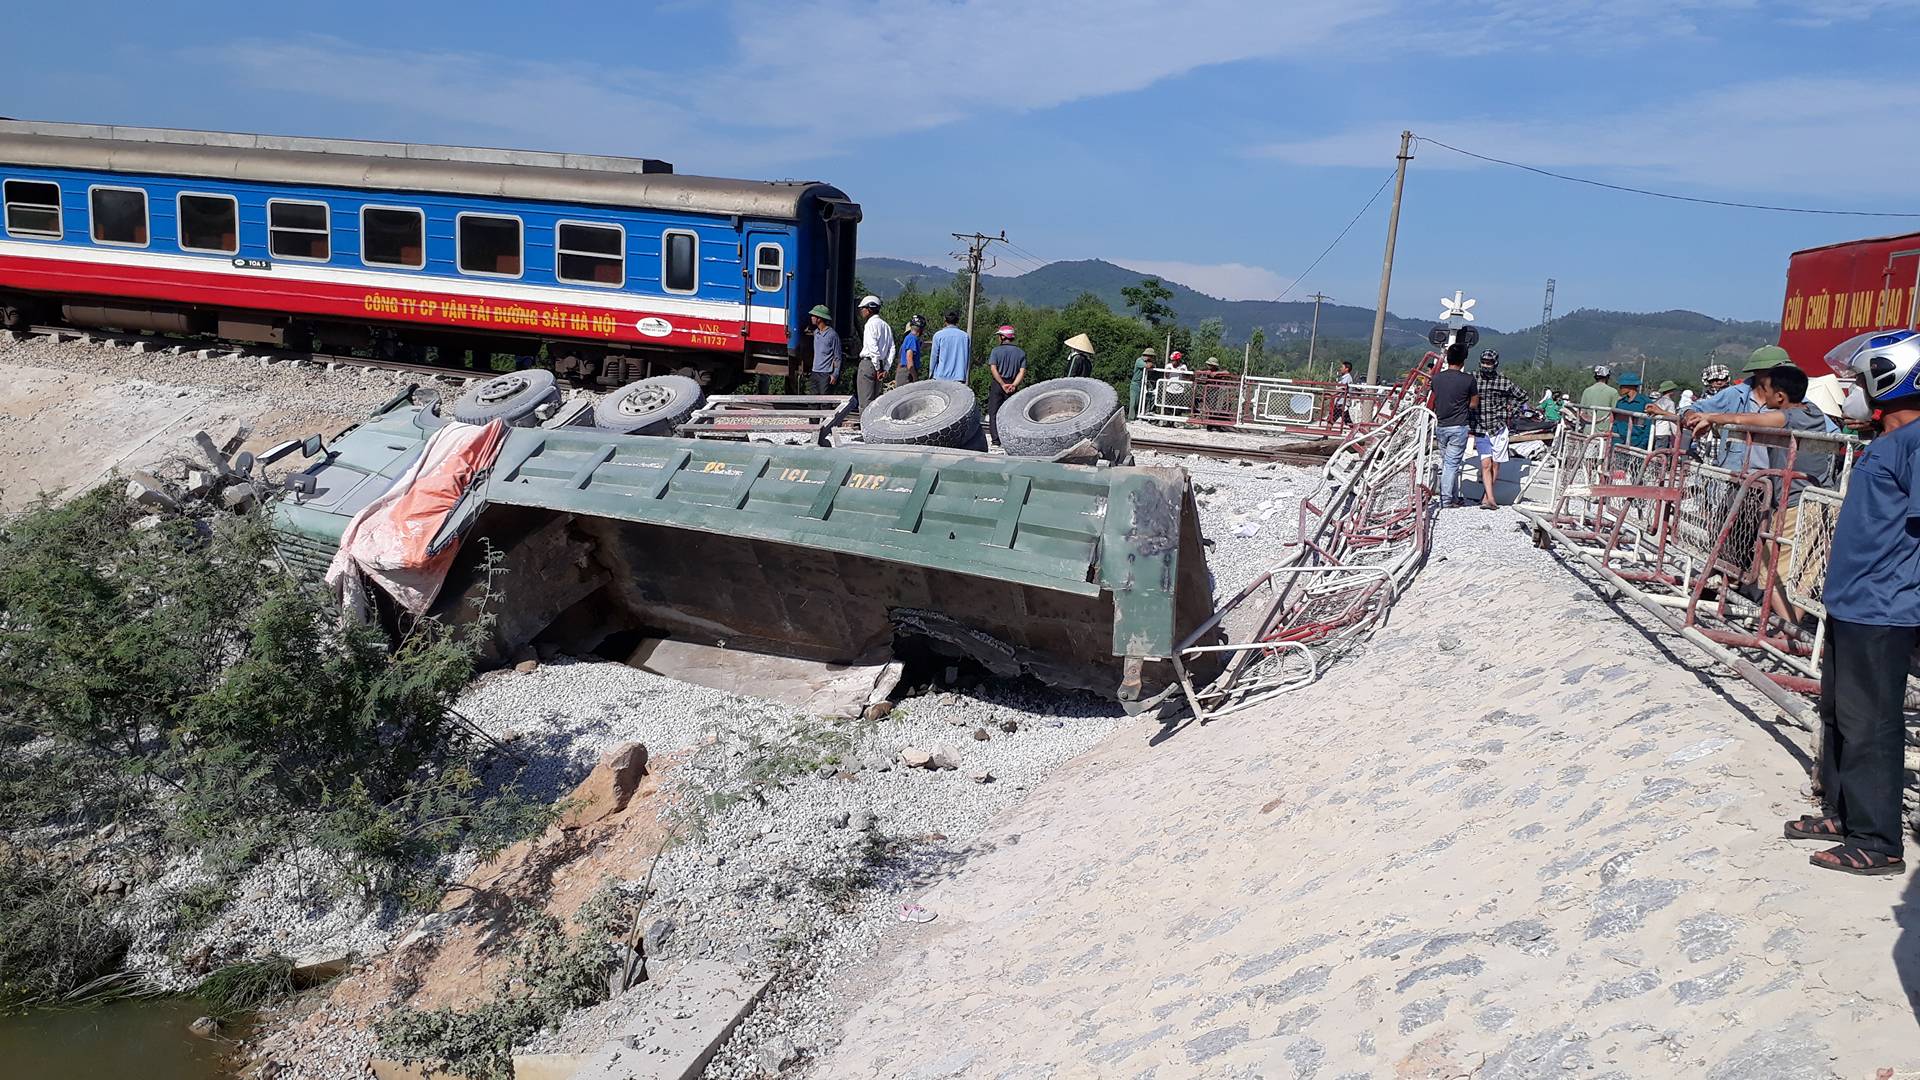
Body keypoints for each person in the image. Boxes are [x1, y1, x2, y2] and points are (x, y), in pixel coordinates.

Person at [1785, 329, 1920, 876]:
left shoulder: (1913, 444)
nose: (1851, 393)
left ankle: (1877, 839)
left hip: (1884, 607)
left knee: (1873, 723)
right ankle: (1842, 812)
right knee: (1840, 714)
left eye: (1861, 382)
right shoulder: (1885, 442)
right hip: (1853, 602)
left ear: (1892, 381)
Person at [1686, 363, 1833, 624]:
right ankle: (1792, 626)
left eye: (1765, 390)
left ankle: (1789, 625)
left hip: (1795, 502)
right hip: (1820, 499)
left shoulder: (1790, 417)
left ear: (1779, 396)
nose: (1761, 396)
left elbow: (1748, 420)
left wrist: (1712, 417)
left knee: (1768, 567)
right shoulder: (1815, 413)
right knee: (1803, 570)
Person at [1681, 347, 1782, 470]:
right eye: (1774, 372)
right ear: (1758, 372)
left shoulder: (1792, 399)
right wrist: (1691, 416)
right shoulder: (1734, 394)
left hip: (1774, 475)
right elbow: (1692, 409)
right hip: (1734, 469)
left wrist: (1712, 418)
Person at [1470, 349, 1527, 509]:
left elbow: (1522, 395)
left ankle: (1486, 497)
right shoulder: (1472, 378)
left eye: (1489, 363)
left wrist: (1511, 410)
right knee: (1486, 464)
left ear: (1495, 364)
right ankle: (1490, 499)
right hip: (1480, 426)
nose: (1486, 366)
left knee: (1495, 464)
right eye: (1484, 362)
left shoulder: (1503, 382)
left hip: (1499, 427)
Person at [1427, 347, 1477, 507]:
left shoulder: (1436, 379)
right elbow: (1474, 404)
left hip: (1441, 426)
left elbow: (1434, 398)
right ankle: (1446, 500)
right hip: (1459, 426)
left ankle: (1453, 497)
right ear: (1463, 361)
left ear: (1447, 359)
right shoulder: (1468, 380)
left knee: (1448, 463)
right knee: (1451, 464)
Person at [985, 325, 1027, 445]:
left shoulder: (996, 351)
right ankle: (1008, 439)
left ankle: (996, 439)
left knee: (994, 412)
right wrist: (1013, 384)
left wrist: (1002, 384)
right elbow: (1022, 371)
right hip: (1012, 384)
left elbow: (993, 369)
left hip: (998, 384)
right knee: (1009, 413)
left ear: (1003, 337)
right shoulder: (1021, 353)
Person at [856, 295, 894, 412]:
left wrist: (877, 368)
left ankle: (865, 428)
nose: (861, 311)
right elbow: (891, 348)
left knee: (865, 402)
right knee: (875, 402)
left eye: (863, 308)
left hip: (869, 364)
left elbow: (873, 348)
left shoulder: (869, 325)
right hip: (881, 365)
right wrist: (886, 368)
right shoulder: (886, 326)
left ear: (869, 309)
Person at [928, 311, 970, 383]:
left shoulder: (938, 335)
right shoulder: (965, 336)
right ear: (957, 321)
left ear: (945, 320)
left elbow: (934, 357)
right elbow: (967, 357)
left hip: (941, 376)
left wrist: (931, 373)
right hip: (959, 376)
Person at [1612, 371, 1651, 447]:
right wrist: (1615, 441)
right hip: (1620, 443)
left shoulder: (1645, 403)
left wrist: (1642, 445)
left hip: (1637, 444)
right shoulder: (1620, 403)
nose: (1620, 388)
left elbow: (1648, 427)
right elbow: (1616, 423)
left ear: (1630, 386)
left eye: (1622, 386)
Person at [808, 305, 840, 395]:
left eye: (813, 316)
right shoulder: (816, 333)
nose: (812, 318)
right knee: (813, 400)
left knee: (825, 401)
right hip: (815, 371)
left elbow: (837, 356)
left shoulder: (832, 335)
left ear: (819, 319)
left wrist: (835, 374)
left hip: (825, 374)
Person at [1647, 380, 1682, 450]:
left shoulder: (1658, 402)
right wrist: (1676, 432)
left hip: (1656, 430)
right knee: (1661, 453)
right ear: (1671, 391)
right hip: (1664, 432)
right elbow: (1672, 418)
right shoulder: (1670, 403)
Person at [896, 315, 926, 385]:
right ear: (920, 329)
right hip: (908, 373)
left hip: (904, 371)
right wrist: (915, 378)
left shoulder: (909, 338)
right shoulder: (912, 339)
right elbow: (909, 361)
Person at [1129, 346, 1156, 419]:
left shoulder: (1145, 361)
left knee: (1143, 401)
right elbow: (1148, 366)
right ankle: (1131, 418)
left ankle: (1140, 416)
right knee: (1134, 402)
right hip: (1136, 383)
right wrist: (1150, 363)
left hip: (1142, 383)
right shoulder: (1139, 360)